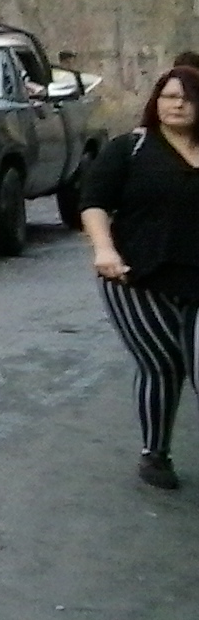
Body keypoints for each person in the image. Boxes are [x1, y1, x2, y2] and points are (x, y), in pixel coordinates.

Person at [82, 66, 199, 489]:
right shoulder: (130, 148)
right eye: (168, 96)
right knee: (162, 365)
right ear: (155, 102)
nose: (177, 104)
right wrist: (104, 249)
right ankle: (155, 454)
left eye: (186, 97)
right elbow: (93, 202)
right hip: (136, 279)